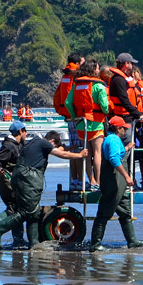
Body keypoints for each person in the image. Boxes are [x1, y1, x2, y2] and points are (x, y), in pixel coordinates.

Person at [0, 128, 88, 249]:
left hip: (20, 178)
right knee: (27, 212)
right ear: (52, 141)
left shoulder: (33, 143)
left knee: (33, 213)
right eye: (55, 145)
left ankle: (34, 243)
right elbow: (62, 154)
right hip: (29, 180)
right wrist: (80, 155)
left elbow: (60, 150)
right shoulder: (44, 143)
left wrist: (70, 148)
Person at [89, 116, 143, 251]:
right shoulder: (114, 140)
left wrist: (126, 148)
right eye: (124, 129)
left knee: (124, 210)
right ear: (118, 128)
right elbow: (114, 159)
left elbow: (115, 154)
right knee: (104, 211)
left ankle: (132, 241)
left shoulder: (110, 139)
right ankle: (95, 244)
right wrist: (127, 177)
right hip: (113, 180)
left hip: (116, 181)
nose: (125, 131)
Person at [65, 60, 110, 190]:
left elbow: (68, 102)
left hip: (81, 124)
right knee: (97, 153)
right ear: (93, 70)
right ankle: (99, 182)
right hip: (96, 123)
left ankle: (91, 181)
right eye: (97, 68)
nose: (98, 70)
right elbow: (105, 106)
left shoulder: (77, 84)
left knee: (86, 153)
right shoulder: (99, 86)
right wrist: (106, 112)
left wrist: (74, 116)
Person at [0, 121, 27, 248]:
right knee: (14, 208)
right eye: (25, 131)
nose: (26, 134)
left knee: (16, 208)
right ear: (20, 131)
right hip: (5, 180)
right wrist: (0, 169)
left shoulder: (18, 144)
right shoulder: (9, 146)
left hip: (13, 179)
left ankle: (19, 240)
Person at [54, 53, 86, 188]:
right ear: (77, 64)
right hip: (76, 116)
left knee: (73, 149)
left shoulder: (65, 77)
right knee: (78, 149)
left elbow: (57, 97)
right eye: (83, 63)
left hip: (68, 117)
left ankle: (74, 180)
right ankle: (80, 181)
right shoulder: (76, 77)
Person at [105, 52, 143, 145]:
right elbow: (124, 100)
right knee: (126, 144)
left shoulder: (123, 78)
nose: (133, 65)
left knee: (129, 144)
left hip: (128, 116)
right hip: (123, 118)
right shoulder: (119, 80)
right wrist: (138, 114)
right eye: (131, 63)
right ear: (126, 64)